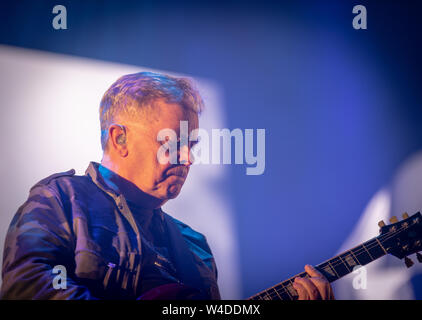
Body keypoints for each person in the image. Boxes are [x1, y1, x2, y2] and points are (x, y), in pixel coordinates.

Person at [0, 72, 334, 300]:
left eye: (192, 144)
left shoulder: (195, 247)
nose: (188, 158)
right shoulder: (62, 200)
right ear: (119, 138)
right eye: (173, 143)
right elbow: (24, 286)